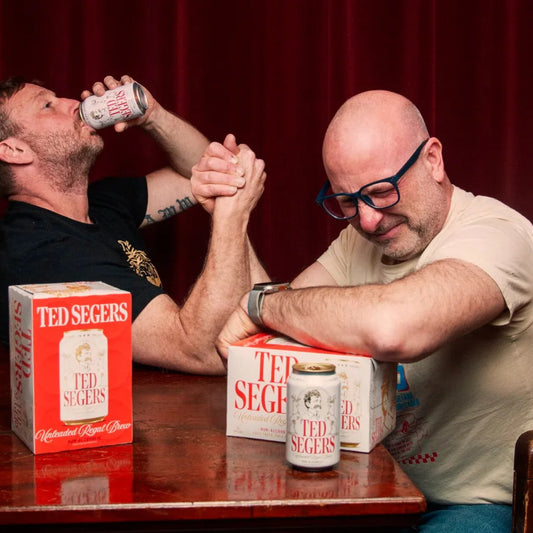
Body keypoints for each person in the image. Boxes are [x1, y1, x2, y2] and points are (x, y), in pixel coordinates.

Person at [212, 90, 533, 531]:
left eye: (381, 192)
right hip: (375, 489)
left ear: (433, 160)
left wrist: (261, 304)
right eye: (347, 201)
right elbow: (267, 339)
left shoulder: (499, 234)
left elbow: (392, 328)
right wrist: (233, 215)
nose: (367, 221)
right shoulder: (358, 240)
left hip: (479, 505)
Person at [0, 74, 268, 375]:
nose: (74, 103)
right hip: (136, 407)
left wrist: (154, 117)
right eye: (47, 105)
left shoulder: (102, 202)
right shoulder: (40, 253)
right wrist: (233, 212)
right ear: (14, 150)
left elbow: (201, 172)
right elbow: (204, 352)